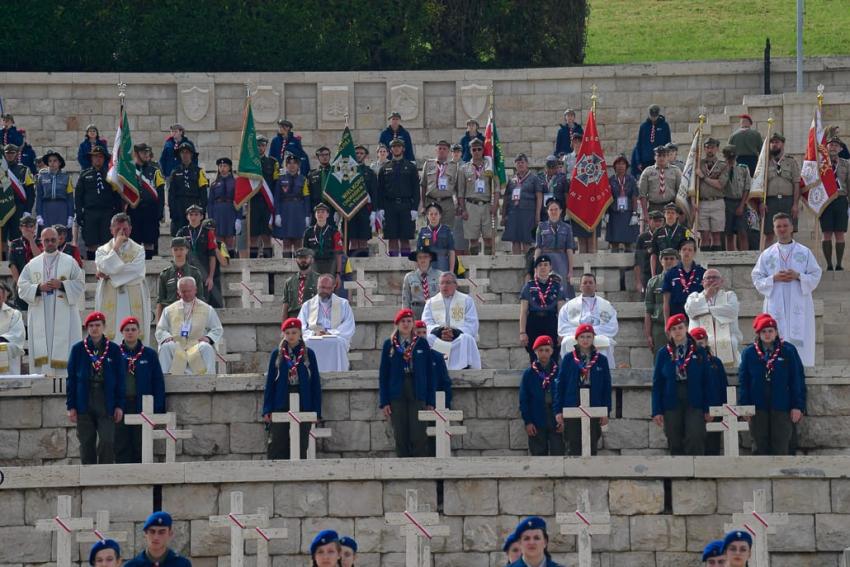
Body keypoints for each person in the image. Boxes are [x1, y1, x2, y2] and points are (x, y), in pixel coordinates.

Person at [751, 212, 821, 367]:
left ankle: (802, 368)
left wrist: (798, 276)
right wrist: (773, 278)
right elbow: (756, 278)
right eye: (778, 226)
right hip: (776, 302)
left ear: (792, 228)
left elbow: (816, 274)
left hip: (799, 302)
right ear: (774, 229)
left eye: (785, 226)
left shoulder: (804, 252)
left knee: (800, 342)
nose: (782, 229)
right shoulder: (767, 254)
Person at [17, 226, 86, 375]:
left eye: (53, 240)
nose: (49, 243)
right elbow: (21, 287)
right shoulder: (32, 264)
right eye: (46, 240)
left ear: (58, 240)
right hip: (40, 311)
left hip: (65, 313)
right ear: (41, 241)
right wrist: (38, 288)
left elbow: (80, 283)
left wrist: (61, 285)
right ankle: (42, 379)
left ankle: (67, 379)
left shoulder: (70, 262)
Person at [739, 313, 806, 455]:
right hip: (757, 407)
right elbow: (744, 382)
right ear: (758, 333)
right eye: (764, 331)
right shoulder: (749, 353)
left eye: (771, 331)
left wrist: (797, 406)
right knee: (759, 444)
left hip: (781, 405)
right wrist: (744, 406)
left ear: (776, 332)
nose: (767, 334)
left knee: (781, 444)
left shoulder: (788, 350)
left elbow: (797, 379)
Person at [66, 311, 125, 465]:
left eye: (98, 325)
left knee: (107, 440)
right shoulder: (78, 349)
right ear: (87, 328)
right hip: (84, 398)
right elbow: (71, 380)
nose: (94, 329)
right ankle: (88, 476)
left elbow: (120, 379)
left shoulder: (113, 349)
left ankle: (105, 475)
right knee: (86, 442)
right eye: (91, 326)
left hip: (106, 399)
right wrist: (71, 406)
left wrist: (119, 405)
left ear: (104, 326)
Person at [651, 313, 711, 456]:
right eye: (674, 329)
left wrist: (708, 407)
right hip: (672, 396)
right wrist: (656, 410)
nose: (677, 331)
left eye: (680, 328)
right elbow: (657, 383)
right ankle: (679, 474)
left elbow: (707, 381)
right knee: (674, 436)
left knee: (695, 434)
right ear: (669, 333)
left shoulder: (699, 351)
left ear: (686, 328)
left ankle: (695, 474)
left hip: (694, 396)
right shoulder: (663, 353)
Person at [263, 318, 321, 460]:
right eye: (287, 332)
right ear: (283, 334)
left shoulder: (309, 354)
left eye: (294, 332)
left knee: (301, 443)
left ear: (300, 333)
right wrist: (267, 409)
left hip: (303, 399)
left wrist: (317, 411)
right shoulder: (277, 355)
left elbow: (315, 384)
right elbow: (270, 383)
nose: (291, 336)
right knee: (277, 441)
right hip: (282, 398)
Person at [379, 308, 435, 458]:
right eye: (403, 321)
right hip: (397, 391)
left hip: (417, 389)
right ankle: (402, 468)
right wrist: (384, 401)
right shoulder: (389, 345)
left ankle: (419, 466)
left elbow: (429, 374)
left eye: (409, 321)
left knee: (418, 432)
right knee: (400, 432)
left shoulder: (421, 343)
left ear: (413, 324)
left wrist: (430, 400)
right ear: (397, 324)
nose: (406, 324)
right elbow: (383, 375)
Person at [114, 316, 165, 464]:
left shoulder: (149, 354)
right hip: (121, 406)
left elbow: (158, 383)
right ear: (122, 332)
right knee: (121, 444)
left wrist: (158, 409)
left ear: (139, 332)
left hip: (142, 406)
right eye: (127, 330)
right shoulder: (114, 354)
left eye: (133, 329)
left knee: (141, 444)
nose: (130, 332)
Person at [556, 324, 613, 456]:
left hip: (594, 404)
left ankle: (591, 474)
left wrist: (606, 411)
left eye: (589, 336)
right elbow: (560, 385)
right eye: (582, 337)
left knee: (592, 441)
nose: (585, 340)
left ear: (593, 338)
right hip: (572, 404)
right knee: (573, 442)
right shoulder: (568, 359)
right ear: (576, 339)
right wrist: (558, 410)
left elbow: (606, 387)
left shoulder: (601, 360)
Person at [95, 213, 151, 343]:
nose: (121, 232)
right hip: (109, 293)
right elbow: (103, 267)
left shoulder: (139, 250)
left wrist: (110, 273)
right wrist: (116, 247)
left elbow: (136, 271)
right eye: (117, 229)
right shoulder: (102, 250)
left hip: (134, 294)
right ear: (111, 229)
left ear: (130, 229)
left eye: (125, 229)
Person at [155, 277, 223, 375]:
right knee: (166, 347)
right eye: (183, 291)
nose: (186, 294)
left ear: (195, 289)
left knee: (206, 348)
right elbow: (160, 329)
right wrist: (167, 337)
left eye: (189, 291)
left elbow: (217, 329)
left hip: (197, 345)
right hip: (177, 345)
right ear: (178, 292)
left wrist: (208, 338)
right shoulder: (169, 310)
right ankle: (165, 381)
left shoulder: (207, 309)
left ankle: (208, 382)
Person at [422, 272, 482, 370]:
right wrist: (439, 331)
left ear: (455, 285)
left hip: (457, 338)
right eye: (442, 283)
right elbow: (426, 323)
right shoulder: (431, 302)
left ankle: (463, 365)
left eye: (448, 283)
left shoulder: (467, 300)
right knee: (427, 338)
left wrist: (455, 332)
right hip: (439, 338)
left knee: (466, 338)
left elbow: (472, 324)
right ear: (439, 285)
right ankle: (434, 365)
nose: (445, 286)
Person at [298, 273, 356, 372]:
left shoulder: (343, 304)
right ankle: (309, 375)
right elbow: (300, 326)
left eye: (327, 288)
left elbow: (349, 325)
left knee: (338, 343)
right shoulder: (307, 305)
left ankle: (338, 377)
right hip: (313, 337)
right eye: (321, 287)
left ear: (333, 287)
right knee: (306, 343)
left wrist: (331, 333)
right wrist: (313, 333)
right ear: (317, 286)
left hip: (335, 336)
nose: (323, 291)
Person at [558, 273, 619, 367]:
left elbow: (612, 326)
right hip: (576, 336)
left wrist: (591, 332)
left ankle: (602, 372)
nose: (588, 285)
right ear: (580, 287)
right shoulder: (569, 306)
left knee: (607, 342)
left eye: (590, 283)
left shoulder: (606, 305)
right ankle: (570, 373)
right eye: (585, 283)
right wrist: (581, 333)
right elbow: (563, 327)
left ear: (595, 286)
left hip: (598, 334)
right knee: (567, 341)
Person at [685, 268, 743, 366]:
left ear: (721, 281)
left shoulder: (729, 296)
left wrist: (705, 310)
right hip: (700, 338)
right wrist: (707, 296)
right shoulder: (694, 296)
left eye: (715, 277)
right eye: (708, 278)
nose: (711, 280)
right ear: (703, 282)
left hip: (727, 338)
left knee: (731, 342)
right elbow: (691, 311)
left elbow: (732, 311)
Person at [519, 336, 564, 456]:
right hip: (536, 417)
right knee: (538, 453)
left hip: (556, 417)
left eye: (547, 350)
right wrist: (528, 421)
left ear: (552, 351)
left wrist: (564, 419)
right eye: (540, 350)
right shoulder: (529, 374)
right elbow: (524, 400)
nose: (544, 353)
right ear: (535, 351)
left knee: (558, 452)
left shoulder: (560, 372)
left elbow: (565, 397)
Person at [520, 255, 568, 363]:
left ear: (550, 267)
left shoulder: (557, 286)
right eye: (540, 265)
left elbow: (561, 312)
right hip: (534, 321)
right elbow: (523, 311)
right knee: (534, 355)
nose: (543, 267)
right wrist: (522, 332)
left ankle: (553, 379)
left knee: (554, 355)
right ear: (535, 269)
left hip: (551, 321)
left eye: (546, 265)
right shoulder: (528, 286)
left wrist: (561, 332)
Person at [75, 145, 121, 258]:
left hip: (107, 212)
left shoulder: (110, 175)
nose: (98, 159)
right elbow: (78, 195)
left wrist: (118, 212)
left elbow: (116, 195)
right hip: (90, 212)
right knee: (91, 242)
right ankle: (92, 265)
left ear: (104, 159)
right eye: (95, 157)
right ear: (91, 158)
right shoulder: (84, 175)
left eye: (100, 157)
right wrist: (79, 212)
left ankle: (106, 266)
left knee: (107, 241)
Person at [377, 138, 419, 257]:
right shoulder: (384, 168)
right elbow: (380, 190)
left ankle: (405, 263)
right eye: (394, 147)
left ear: (403, 149)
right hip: (390, 205)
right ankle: (393, 263)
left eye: (399, 146)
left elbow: (416, 189)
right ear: (390, 150)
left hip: (406, 205)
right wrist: (380, 208)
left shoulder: (410, 167)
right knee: (392, 237)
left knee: (405, 238)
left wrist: (415, 208)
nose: (396, 149)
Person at [689, 326, 728, 455]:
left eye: (701, 342)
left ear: (706, 341)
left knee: (713, 445)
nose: (699, 345)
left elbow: (723, 386)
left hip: (715, 409)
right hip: (696, 410)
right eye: (696, 342)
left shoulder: (716, 363)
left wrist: (724, 410)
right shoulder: (689, 363)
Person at [457, 138, 499, 256]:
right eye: (473, 149)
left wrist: (495, 205)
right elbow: (460, 192)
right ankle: (474, 265)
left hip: (487, 205)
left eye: (479, 149)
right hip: (471, 205)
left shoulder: (490, 167)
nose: (476, 152)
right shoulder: (464, 168)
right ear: (470, 151)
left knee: (488, 238)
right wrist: (463, 209)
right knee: (473, 239)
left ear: (482, 150)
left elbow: (496, 189)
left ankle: (488, 263)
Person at [760, 133, 801, 247]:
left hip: (787, 201)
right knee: (768, 233)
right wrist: (761, 202)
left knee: (789, 232)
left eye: (777, 142)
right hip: (770, 201)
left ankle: (789, 259)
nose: (774, 145)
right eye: (772, 142)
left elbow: (796, 183)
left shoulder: (791, 162)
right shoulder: (764, 162)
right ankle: (766, 260)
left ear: (782, 144)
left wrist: (795, 204)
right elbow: (760, 184)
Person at [175, 204, 219, 307]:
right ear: (187, 217)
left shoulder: (208, 233)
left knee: (203, 303)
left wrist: (210, 277)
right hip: (186, 271)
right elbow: (176, 255)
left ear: (201, 216)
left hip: (203, 272)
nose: (193, 217)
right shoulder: (182, 232)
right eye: (191, 214)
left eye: (196, 214)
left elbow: (212, 256)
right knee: (185, 302)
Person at [502, 154, 544, 254]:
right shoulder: (512, 180)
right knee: (515, 240)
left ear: (527, 164)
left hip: (528, 213)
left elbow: (539, 197)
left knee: (527, 240)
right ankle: (515, 265)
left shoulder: (534, 179)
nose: (520, 164)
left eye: (522, 162)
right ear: (515, 165)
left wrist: (537, 215)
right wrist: (503, 216)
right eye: (518, 163)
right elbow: (506, 199)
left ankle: (528, 265)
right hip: (513, 213)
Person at [130, 143, 166, 259]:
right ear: (136, 154)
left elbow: (160, 193)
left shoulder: (155, 171)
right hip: (134, 210)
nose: (147, 155)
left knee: (149, 240)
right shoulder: (130, 171)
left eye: (148, 152)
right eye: (143, 152)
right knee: (134, 241)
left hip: (150, 210)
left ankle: (148, 263)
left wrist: (160, 211)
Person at [156, 237, 205, 321]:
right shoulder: (165, 274)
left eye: (181, 249)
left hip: (190, 315)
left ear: (187, 250)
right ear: (171, 251)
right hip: (171, 316)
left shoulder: (194, 273)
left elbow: (200, 298)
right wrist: (159, 325)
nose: (178, 252)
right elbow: (160, 301)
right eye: (175, 249)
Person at [270, 153, 309, 257]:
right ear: (286, 166)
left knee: (298, 240)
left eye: (295, 163)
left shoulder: (303, 179)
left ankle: (298, 266)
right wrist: (277, 214)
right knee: (286, 241)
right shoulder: (280, 180)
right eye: (289, 163)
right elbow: (277, 198)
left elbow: (306, 198)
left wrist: (307, 215)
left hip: (299, 212)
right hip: (285, 212)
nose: (292, 165)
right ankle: (286, 266)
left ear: (298, 165)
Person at [693, 138, 728, 251]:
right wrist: (694, 201)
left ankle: (716, 262)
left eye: (712, 147)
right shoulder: (699, 164)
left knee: (716, 235)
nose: (709, 150)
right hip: (702, 202)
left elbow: (720, 184)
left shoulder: (723, 165)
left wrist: (703, 177)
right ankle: (704, 262)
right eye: (707, 147)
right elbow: (693, 185)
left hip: (717, 201)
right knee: (704, 235)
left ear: (717, 149)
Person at [167, 142, 209, 236]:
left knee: (194, 233)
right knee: (178, 234)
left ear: (191, 154)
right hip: (179, 205)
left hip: (193, 204)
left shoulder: (199, 171)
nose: (184, 155)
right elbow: (171, 194)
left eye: (187, 152)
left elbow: (203, 193)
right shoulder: (175, 172)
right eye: (182, 153)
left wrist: (202, 210)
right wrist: (172, 210)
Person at [645, 248, 680, 358]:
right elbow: (648, 310)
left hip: (679, 326)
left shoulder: (683, 280)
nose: (669, 261)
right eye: (666, 258)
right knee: (660, 359)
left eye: (672, 258)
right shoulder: (653, 282)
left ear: (677, 261)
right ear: (661, 261)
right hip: (659, 329)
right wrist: (649, 335)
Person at [822, 135, 850, 270]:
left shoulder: (846, 163)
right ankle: (828, 264)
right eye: (830, 145)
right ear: (826, 148)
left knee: (840, 233)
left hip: (841, 199)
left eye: (835, 145)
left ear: (840, 149)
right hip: (826, 201)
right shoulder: (821, 163)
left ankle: (839, 264)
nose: (833, 147)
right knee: (826, 233)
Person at [124, 511, 191, 566]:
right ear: (145, 533)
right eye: (152, 532)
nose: (156, 537)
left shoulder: (182, 564)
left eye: (161, 532)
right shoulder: (131, 565)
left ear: (170, 534)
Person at [248, 134, 278, 259]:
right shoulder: (248, 163)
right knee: (253, 236)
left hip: (267, 203)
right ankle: (253, 263)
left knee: (266, 236)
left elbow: (276, 183)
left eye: (263, 145)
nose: (260, 148)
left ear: (266, 147)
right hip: (253, 202)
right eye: (258, 145)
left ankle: (269, 264)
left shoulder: (272, 162)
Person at [420, 140, 460, 231]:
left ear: (448, 151)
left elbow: (457, 187)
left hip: (447, 203)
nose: (442, 150)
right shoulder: (428, 164)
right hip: (431, 201)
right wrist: (423, 206)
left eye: (444, 149)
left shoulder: (454, 167)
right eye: (440, 148)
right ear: (436, 150)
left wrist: (458, 205)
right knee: (431, 231)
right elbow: (423, 185)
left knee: (447, 231)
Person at [534, 199, 575, 286]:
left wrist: (570, 271)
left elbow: (569, 249)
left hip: (562, 260)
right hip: (545, 261)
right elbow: (538, 248)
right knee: (545, 287)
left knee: (562, 287)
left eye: (556, 209)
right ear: (547, 212)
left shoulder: (567, 228)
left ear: (560, 211)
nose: (553, 212)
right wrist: (535, 269)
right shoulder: (541, 226)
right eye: (551, 210)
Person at [662, 238, 704, 321]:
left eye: (690, 250)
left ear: (694, 253)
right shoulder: (671, 273)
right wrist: (667, 322)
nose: (687, 252)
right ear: (679, 252)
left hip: (696, 318)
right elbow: (666, 301)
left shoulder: (702, 273)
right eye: (684, 249)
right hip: (676, 318)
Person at [413, 319, 452, 408]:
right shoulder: (407, 357)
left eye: (424, 332)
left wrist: (446, 405)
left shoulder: (436, 356)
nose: (422, 336)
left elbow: (445, 382)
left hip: (435, 405)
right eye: (418, 333)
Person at [606, 154, 640, 252]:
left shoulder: (631, 180)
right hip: (614, 214)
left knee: (629, 243)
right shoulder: (610, 180)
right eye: (618, 164)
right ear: (614, 166)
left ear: (626, 166)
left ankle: (628, 267)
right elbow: (608, 197)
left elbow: (634, 197)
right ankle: (613, 264)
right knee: (614, 243)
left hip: (627, 213)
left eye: (623, 164)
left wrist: (634, 213)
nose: (621, 166)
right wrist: (606, 213)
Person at [720, 145, 751, 252]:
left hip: (740, 201)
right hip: (727, 202)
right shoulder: (722, 169)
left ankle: (745, 254)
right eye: (728, 158)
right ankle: (730, 254)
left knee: (742, 231)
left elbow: (747, 187)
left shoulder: (743, 168)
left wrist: (742, 205)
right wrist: (726, 169)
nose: (730, 160)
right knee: (728, 233)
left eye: (732, 158)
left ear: (736, 157)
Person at [3, 144, 36, 243]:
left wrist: (27, 210)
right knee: (2, 237)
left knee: (17, 237)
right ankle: (3, 258)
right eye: (7, 153)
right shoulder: (1, 170)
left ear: (17, 154)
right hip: (3, 207)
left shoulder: (24, 170)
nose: (9, 155)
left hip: (18, 208)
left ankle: (16, 256)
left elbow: (30, 193)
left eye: (12, 153)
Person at [206, 157, 239, 254]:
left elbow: (238, 201)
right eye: (220, 166)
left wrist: (239, 218)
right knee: (219, 240)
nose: (222, 168)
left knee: (229, 240)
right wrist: (210, 218)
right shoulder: (214, 184)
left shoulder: (235, 183)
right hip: (217, 214)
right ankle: (220, 263)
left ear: (229, 168)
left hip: (230, 212)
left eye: (225, 166)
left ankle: (231, 263)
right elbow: (210, 203)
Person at [303, 202, 343, 281]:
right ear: (315, 215)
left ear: (328, 215)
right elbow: (305, 254)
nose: (320, 214)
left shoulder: (334, 232)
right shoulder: (308, 232)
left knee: (328, 288)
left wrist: (338, 273)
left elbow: (338, 254)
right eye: (318, 212)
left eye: (323, 212)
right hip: (314, 264)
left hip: (330, 264)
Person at [638, 146, 681, 219]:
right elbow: (642, 195)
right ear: (655, 157)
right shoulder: (647, 172)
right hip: (653, 207)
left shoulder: (675, 171)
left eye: (664, 156)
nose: (661, 158)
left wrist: (680, 211)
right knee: (655, 230)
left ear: (667, 157)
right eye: (659, 156)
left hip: (671, 207)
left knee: (670, 229)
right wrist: (645, 214)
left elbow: (680, 192)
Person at [7, 215, 40, 311]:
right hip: (21, 282)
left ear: (34, 227)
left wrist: (31, 240)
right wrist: (20, 283)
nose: (28, 229)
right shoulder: (15, 243)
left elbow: (39, 258)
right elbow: (12, 265)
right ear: (20, 228)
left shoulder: (40, 242)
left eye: (31, 226)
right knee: (22, 312)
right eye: (25, 226)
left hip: (36, 282)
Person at [650, 203, 692, 278]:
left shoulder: (684, 231)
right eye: (668, 212)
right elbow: (654, 255)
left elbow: (688, 252)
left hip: (679, 267)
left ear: (677, 215)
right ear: (664, 215)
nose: (670, 215)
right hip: (662, 267)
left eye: (673, 213)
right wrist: (653, 274)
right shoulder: (658, 232)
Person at [349, 144, 377, 257]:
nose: (359, 155)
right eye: (357, 153)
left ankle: (364, 264)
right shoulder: (347, 172)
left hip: (365, 209)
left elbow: (374, 192)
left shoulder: (370, 172)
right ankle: (353, 264)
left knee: (363, 238)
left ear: (365, 155)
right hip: (350, 209)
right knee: (353, 239)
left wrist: (374, 211)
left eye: (361, 153)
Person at [36, 150, 74, 230]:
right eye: (50, 161)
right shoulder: (41, 177)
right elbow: (38, 197)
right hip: (46, 207)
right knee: (46, 233)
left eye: (55, 161)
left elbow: (70, 198)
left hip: (62, 208)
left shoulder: (66, 177)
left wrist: (70, 216)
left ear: (59, 163)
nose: (52, 163)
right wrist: (38, 214)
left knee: (60, 234)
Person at [402, 248, 442, 320]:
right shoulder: (409, 277)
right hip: (416, 310)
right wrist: (406, 316)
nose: (423, 260)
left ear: (430, 258)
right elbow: (406, 299)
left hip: (434, 310)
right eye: (420, 257)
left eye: (425, 257)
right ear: (416, 259)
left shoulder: (439, 275)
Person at [281, 248, 320, 320]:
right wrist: (284, 326)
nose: (303, 260)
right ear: (296, 260)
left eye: (306, 257)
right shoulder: (289, 282)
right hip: (294, 317)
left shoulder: (319, 279)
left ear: (312, 260)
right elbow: (285, 305)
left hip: (312, 317)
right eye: (300, 258)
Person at [633, 104, 672, 175]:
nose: (653, 118)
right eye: (652, 116)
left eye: (655, 116)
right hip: (646, 160)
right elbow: (639, 144)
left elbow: (668, 143)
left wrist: (668, 159)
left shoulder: (664, 126)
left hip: (660, 159)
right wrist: (638, 161)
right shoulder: (643, 126)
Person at [416, 202, 455, 272]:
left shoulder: (446, 230)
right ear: (427, 216)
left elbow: (451, 252)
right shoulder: (423, 231)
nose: (433, 216)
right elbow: (418, 252)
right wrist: (419, 270)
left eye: (436, 214)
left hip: (443, 263)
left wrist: (451, 271)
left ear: (440, 216)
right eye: (431, 214)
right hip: (428, 264)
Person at [634, 210, 664, 293]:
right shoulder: (642, 238)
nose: (658, 224)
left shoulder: (666, 236)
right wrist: (638, 282)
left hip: (662, 273)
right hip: (647, 275)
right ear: (649, 221)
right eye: (655, 221)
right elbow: (637, 262)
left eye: (660, 221)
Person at [0, 281, 25, 374]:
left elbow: (17, 336)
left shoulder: (14, 314)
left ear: (3, 297)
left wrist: (1, 340)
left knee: (3, 347)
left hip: (6, 347)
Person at [539, 155, 569, 221]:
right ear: (545, 167)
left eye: (553, 167)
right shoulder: (540, 178)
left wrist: (567, 211)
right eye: (549, 167)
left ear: (556, 167)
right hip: (544, 212)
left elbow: (566, 195)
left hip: (558, 212)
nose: (551, 169)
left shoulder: (563, 178)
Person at [306, 146, 332, 214]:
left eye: (327, 154)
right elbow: (309, 193)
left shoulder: (334, 173)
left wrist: (338, 211)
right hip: (316, 208)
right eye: (322, 155)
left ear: (330, 156)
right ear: (318, 157)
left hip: (332, 207)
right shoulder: (312, 174)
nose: (325, 157)